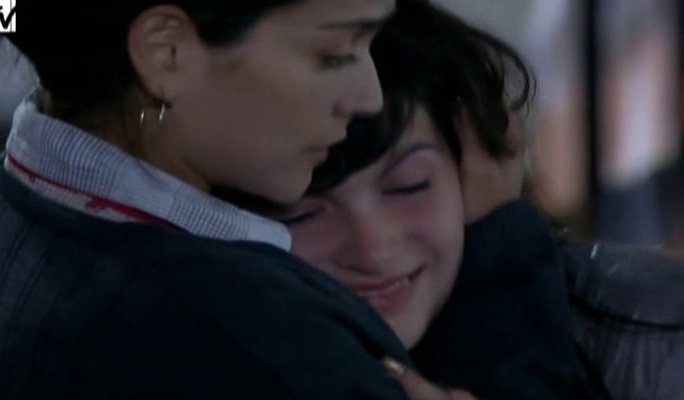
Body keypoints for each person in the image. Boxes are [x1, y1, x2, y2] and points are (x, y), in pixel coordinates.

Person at [0, 1, 434, 399]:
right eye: (334, 55)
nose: (369, 98)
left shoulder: (32, 201)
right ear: (166, 53)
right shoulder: (260, 345)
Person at [259, 2, 684, 399]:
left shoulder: (645, 329)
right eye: (303, 214)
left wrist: (498, 240)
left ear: (479, 163)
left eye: (409, 185)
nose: (373, 248)